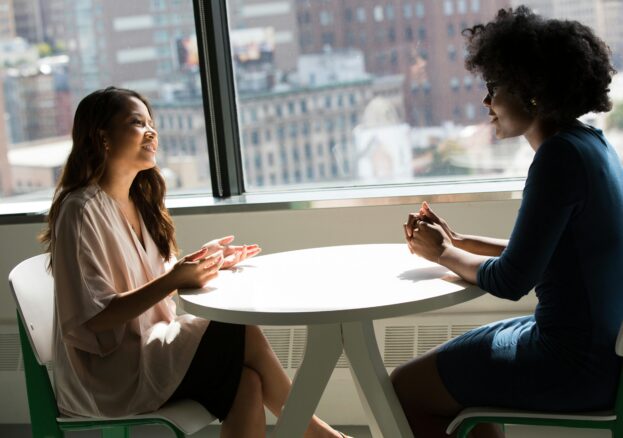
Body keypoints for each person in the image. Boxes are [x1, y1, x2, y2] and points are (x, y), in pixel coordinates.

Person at [40, 86, 350, 438]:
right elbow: (94, 318)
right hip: (110, 376)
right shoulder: (80, 210)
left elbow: (155, 280)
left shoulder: (139, 203)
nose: (151, 131)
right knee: (238, 329)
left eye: (151, 122)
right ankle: (320, 434)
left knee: (245, 381)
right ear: (103, 137)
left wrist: (206, 262)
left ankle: (318, 433)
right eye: (136, 123)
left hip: (149, 351)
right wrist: (174, 279)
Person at [391, 6, 623, 438]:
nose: (486, 102)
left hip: (573, 365)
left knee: (404, 388)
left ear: (530, 92)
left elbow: (513, 280)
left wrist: (443, 253)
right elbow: (549, 254)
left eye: (493, 87)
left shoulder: (558, 158)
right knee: (463, 370)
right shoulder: (591, 144)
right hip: (604, 356)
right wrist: (460, 241)